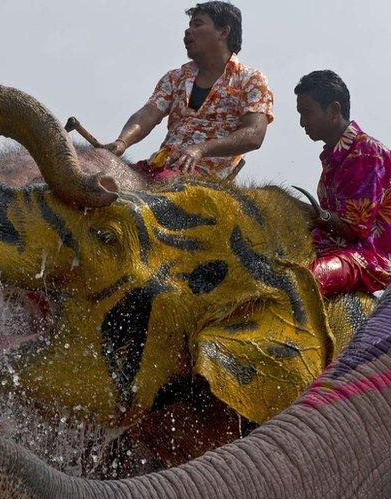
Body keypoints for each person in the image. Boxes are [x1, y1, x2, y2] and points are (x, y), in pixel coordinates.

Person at [102, 1, 273, 181]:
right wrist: (122, 142)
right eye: (189, 25)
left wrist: (201, 149)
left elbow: (254, 134)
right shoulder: (175, 78)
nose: (188, 31)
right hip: (160, 167)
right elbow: (148, 114)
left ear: (223, 32)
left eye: (197, 24)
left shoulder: (250, 80)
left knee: (158, 184)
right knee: (108, 174)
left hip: (203, 178)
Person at [294, 70, 391, 297]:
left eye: (306, 113)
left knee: (304, 281)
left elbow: (354, 229)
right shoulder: (335, 154)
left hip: (367, 256)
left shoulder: (366, 153)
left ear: (334, 110)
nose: (301, 123)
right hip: (333, 247)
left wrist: (319, 215)